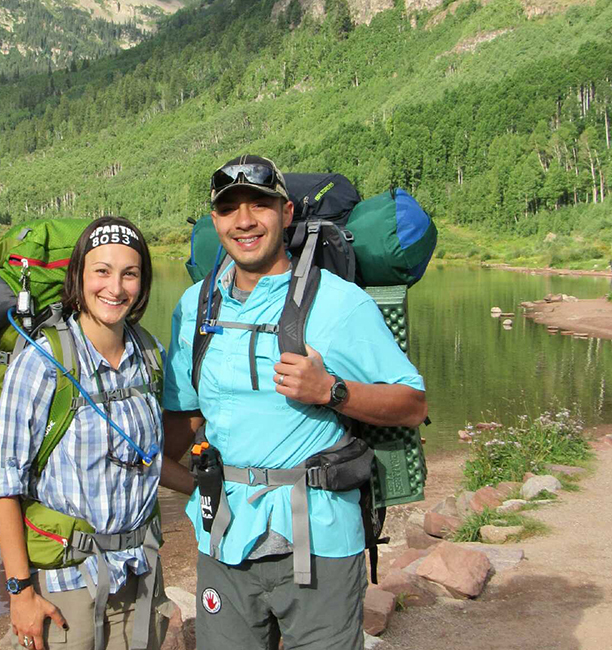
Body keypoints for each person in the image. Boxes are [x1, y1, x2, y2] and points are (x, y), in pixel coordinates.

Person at [160, 156, 428, 650]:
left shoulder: (340, 302)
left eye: (259, 205)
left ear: (285, 213)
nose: (244, 220)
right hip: (223, 539)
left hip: (320, 540)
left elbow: (412, 404)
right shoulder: (195, 307)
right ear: (214, 221)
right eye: (228, 209)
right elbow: (184, 420)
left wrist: (331, 390)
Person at [0, 216, 168, 650]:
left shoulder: (150, 354)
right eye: (101, 271)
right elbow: (3, 481)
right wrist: (20, 592)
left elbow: (152, 459)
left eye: (130, 273)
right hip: (69, 580)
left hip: (141, 571)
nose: (115, 288)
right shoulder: (44, 359)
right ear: (79, 276)